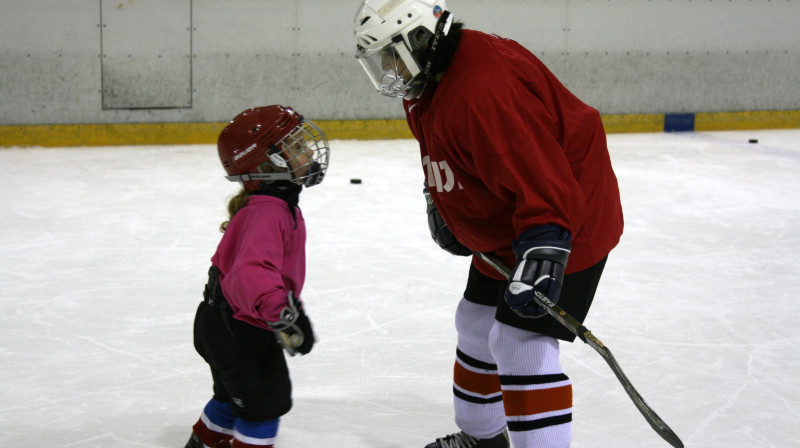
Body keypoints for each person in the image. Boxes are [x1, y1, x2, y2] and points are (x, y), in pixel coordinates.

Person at [353, 1, 624, 447]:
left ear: (421, 38)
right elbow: (449, 146)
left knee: (520, 343)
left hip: (567, 217)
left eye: (390, 53)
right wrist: (443, 198)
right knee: (476, 322)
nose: (388, 69)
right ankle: (483, 439)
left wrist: (545, 249)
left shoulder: (482, 91)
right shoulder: (428, 80)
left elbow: (542, 176)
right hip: (509, 217)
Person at [184, 105, 330, 448]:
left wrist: (290, 307)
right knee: (263, 407)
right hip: (238, 328)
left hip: (224, 323)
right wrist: (283, 315)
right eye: (295, 147)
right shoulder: (267, 212)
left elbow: (269, 273)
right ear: (266, 165)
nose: (307, 151)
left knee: (232, 399)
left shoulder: (274, 204)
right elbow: (252, 273)